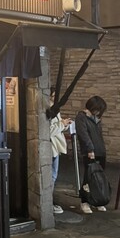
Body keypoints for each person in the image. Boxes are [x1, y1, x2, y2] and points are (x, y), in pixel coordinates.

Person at [75, 95, 108, 214]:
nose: (98, 112)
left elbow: (99, 135)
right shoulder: (81, 117)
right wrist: (90, 149)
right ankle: (85, 201)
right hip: (90, 152)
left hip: (100, 150)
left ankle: (97, 200)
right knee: (89, 177)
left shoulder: (96, 118)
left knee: (99, 177)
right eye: (97, 109)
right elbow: (83, 134)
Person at [49, 86, 72, 215]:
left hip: (55, 146)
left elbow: (55, 127)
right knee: (52, 176)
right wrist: (62, 124)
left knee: (53, 175)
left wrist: (64, 124)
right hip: (51, 146)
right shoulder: (49, 109)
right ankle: (49, 202)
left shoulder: (54, 108)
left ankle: (49, 201)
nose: (55, 98)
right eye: (53, 96)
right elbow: (49, 130)